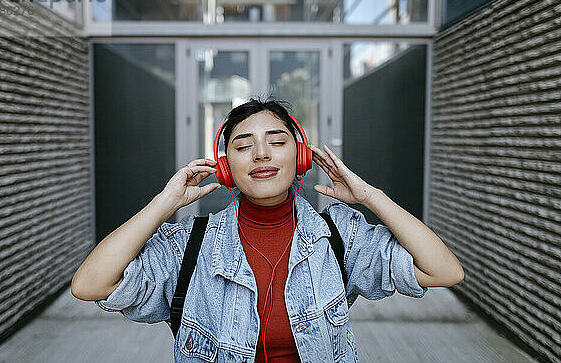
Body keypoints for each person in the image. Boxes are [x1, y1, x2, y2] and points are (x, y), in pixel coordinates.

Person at [71, 97, 464, 363]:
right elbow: (90, 285)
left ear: (301, 158)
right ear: (226, 168)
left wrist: (370, 196)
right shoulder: (189, 246)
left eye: (277, 141)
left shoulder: (339, 236)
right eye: (243, 146)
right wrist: (164, 204)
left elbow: (443, 270)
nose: (261, 153)